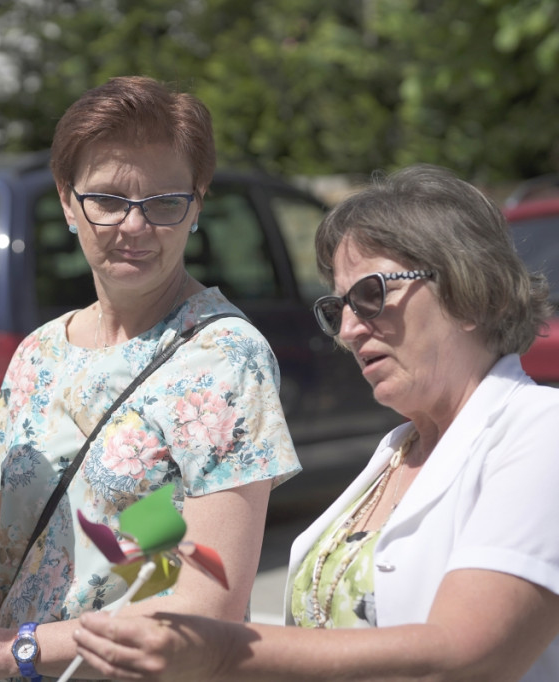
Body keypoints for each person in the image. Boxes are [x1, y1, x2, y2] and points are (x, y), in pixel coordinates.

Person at [0, 75, 301, 681]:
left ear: (198, 203)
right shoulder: (37, 355)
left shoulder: (225, 358)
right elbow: (13, 573)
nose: (134, 228)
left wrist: (13, 651)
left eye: (164, 203)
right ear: (66, 201)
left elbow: (210, 609)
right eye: (107, 200)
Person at [71, 164, 559, 681]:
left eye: (372, 294)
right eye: (338, 306)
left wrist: (222, 652)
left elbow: (470, 654)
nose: (348, 329)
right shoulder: (397, 450)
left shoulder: (541, 432)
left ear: (472, 294)